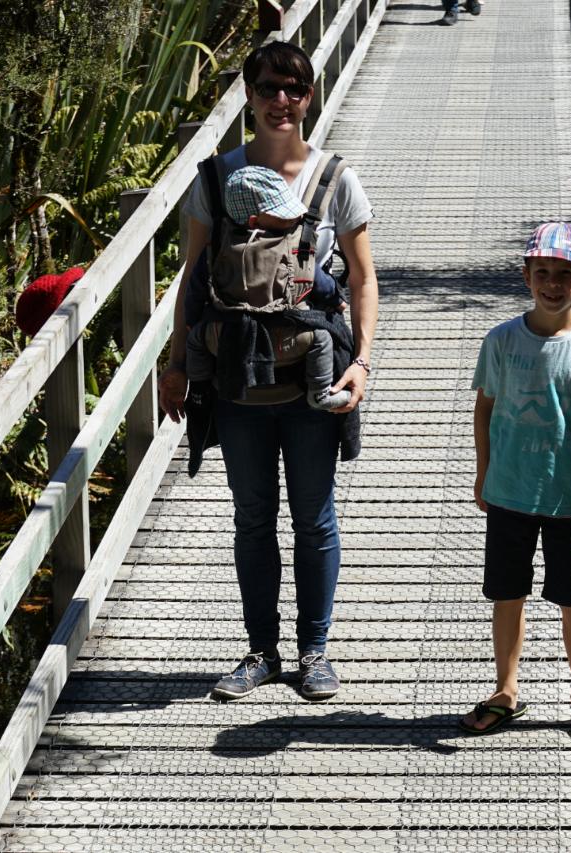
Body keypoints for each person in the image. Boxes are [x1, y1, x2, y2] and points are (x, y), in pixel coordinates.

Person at [159, 40, 377, 702]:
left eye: (295, 89)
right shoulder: (214, 177)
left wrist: (363, 361)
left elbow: (365, 279)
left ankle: (315, 651)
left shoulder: (336, 178)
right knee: (252, 515)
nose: (281, 101)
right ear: (249, 97)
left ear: (309, 96)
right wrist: (175, 364)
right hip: (238, 377)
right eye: (268, 89)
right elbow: (193, 278)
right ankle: (260, 651)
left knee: (313, 517)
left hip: (316, 379)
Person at [459, 222, 571, 746]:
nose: (553, 284)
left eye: (565, 275)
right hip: (509, 492)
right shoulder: (502, 340)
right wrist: (483, 472)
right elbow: (484, 408)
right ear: (527, 275)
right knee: (507, 594)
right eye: (543, 273)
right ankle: (506, 690)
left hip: (565, 499)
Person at [220, 164, 351, 411]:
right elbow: (312, 277)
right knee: (322, 337)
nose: (295, 217)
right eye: (283, 214)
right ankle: (320, 393)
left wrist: (194, 319)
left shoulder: (220, 244)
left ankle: (201, 387)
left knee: (198, 338)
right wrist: (337, 298)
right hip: (288, 337)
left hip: (230, 335)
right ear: (254, 221)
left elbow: (197, 286)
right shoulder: (287, 246)